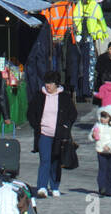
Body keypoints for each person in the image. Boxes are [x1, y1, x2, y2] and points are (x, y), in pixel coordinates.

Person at [27, 70, 77, 199]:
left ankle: (54, 186)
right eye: (46, 83)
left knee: (56, 161)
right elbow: (30, 113)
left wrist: (66, 125)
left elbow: (72, 114)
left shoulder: (64, 96)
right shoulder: (39, 96)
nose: (48, 86)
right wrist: (36, 125)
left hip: (59, 134)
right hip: (44, 133)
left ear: (56, 84)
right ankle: (42, 187)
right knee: (45, 160)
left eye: (50, 83)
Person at [90, 105, 111, 197]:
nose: (103, 119)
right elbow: (91, 135)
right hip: (100, 151)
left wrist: (110, 146)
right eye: (102, 116)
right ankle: (102, 187)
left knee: (110, 171)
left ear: (110, 118)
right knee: (102, 170)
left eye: (105, 117)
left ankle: (109, 190)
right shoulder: (97, 125)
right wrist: (93, 136)